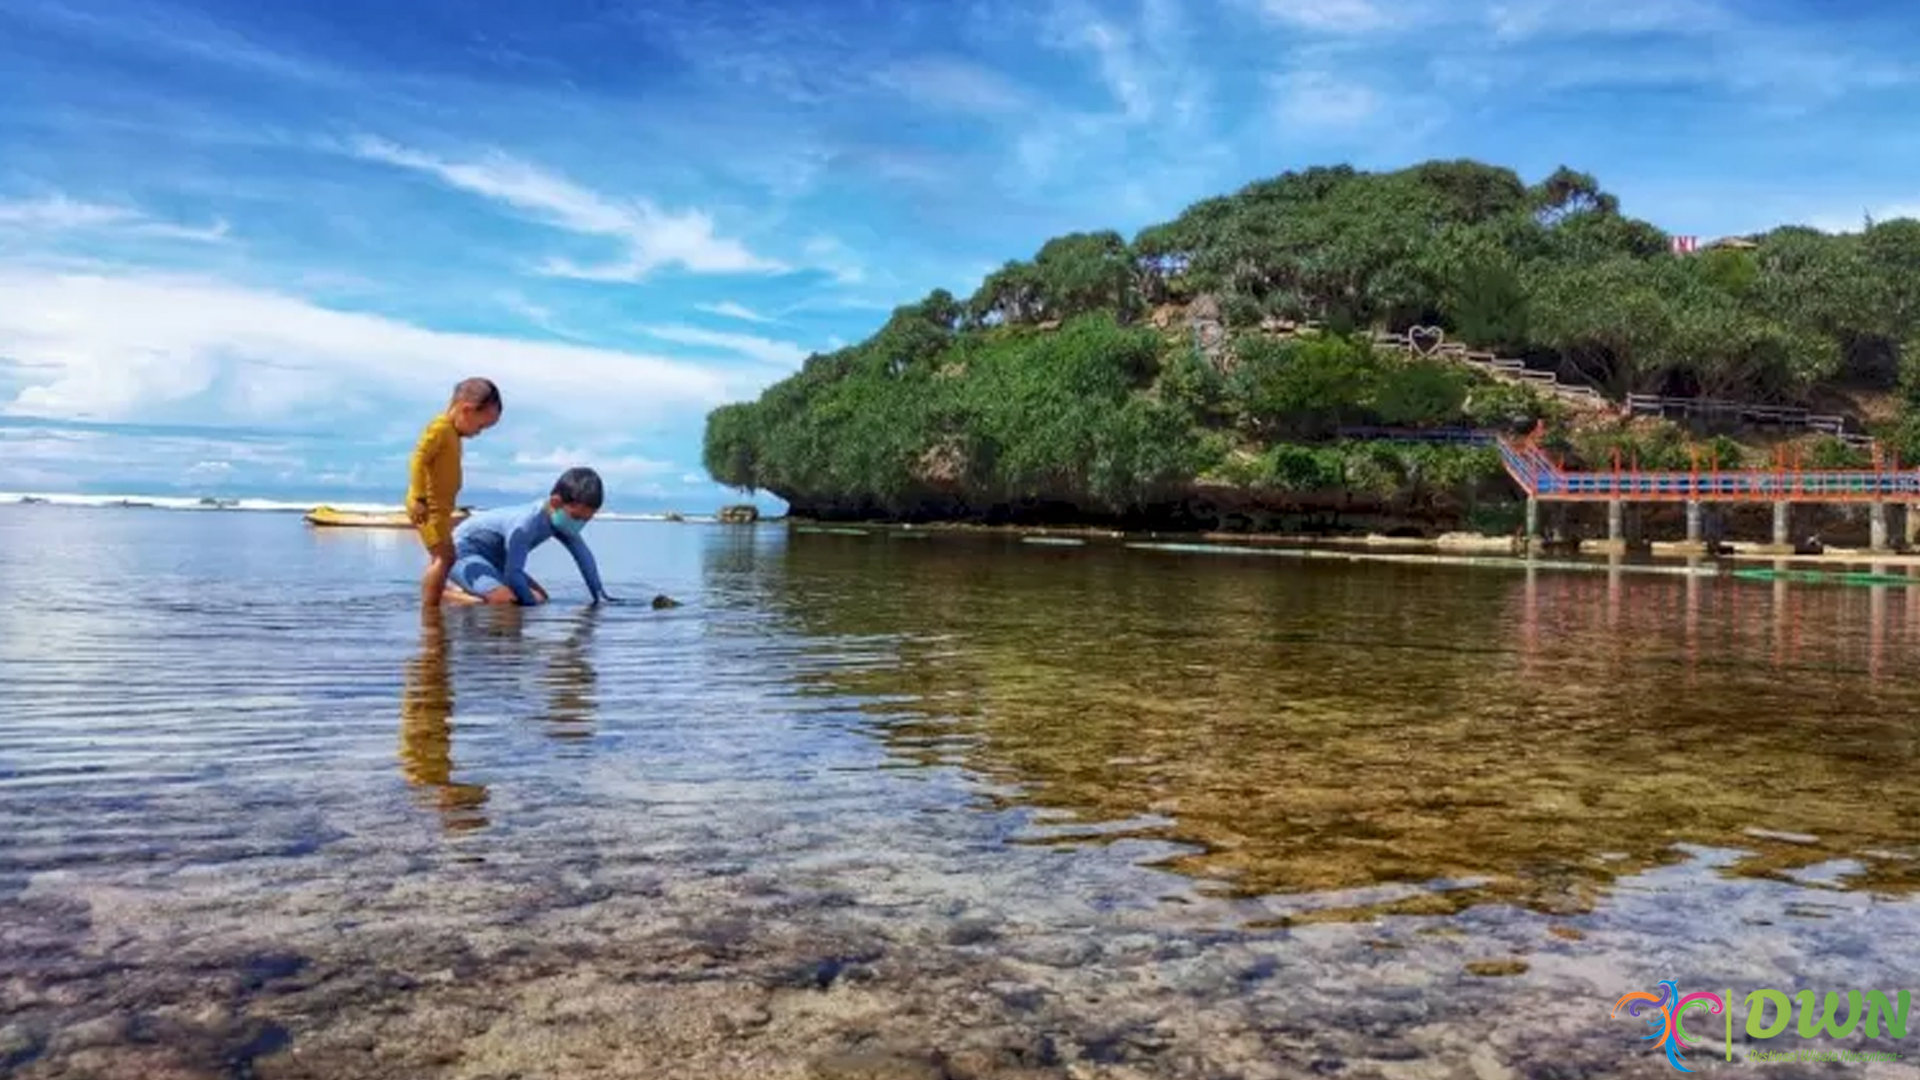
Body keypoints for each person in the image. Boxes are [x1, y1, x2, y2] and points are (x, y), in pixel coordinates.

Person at [445, 467, 614, 606]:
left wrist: (599, 596)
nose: (579, 524)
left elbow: (584, 558)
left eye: (586, 520)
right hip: (462, 552)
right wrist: (528, 608)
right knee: (507, 601)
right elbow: (513, 573)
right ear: (555, 503)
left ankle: (470, 589)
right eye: (577, 518)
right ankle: (446, 594)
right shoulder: (526, 523)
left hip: (496, 560)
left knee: (541, 597)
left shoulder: (561, 521)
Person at [408, 377, 503, 607]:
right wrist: (418, 497)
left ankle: (439, 596)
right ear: (466, 410)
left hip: (440, 509)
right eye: (480, 426)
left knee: (443, 558)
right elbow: (418, 459)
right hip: (427, 507)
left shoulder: (452, 433)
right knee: (444, 558)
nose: (479, 433)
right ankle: (430, 609)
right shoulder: (440, 429)